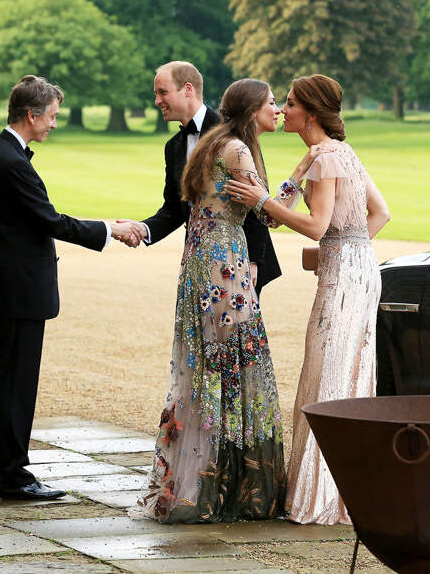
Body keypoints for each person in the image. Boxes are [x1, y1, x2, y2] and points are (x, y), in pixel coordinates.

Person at [132, 79, 318, 523]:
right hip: (224, 268)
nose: (277, 109)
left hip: (201, 264)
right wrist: (299, 172)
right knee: (232, 366)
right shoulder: (237, 150)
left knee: (208, 367)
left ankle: (199, 482)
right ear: (252, 109)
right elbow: (269, 215)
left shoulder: (214, 143)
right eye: (271, 102)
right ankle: (228, 487)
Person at [0, 75, 141, 500]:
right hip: (15, 291)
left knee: (9, 381)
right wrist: (110, 229)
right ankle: (10, 477)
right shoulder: (9, 161)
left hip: (6, 289)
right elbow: (49, 220)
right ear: (31, 115)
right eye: (52, 116)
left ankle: (1, 472)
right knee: (16, 384)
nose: (55, 124)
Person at [225, 74, 391, 524]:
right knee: (345, 373)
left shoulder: (328, 158)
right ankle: (346, 493)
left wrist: (265, 200)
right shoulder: (337, 153)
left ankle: (322, 500)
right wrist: (345, 247)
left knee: (328, 376)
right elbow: (381, 213)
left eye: (291, 103)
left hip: (344, 282)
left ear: (311, 114)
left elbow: (315, 226)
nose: (283, 109)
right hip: (359, 271)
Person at [120, 61, 281, 297]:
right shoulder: (173, 146)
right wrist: (142, 229)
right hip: (197, 257)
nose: (156, 101)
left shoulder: (231, 133)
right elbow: (174, 208)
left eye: (162, 92)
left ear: (188, 89)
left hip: (239, 259)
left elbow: (255, 197)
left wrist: (254, 259)